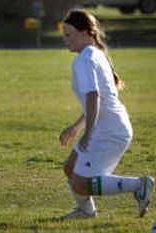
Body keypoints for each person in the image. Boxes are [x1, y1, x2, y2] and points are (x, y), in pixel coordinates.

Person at [60, 9, 154, 219]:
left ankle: (140, 185)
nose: (65, 40)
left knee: (81, 183)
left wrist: (88, 132)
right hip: (110, 126)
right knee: (70, 167)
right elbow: (95, 100)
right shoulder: (95, 53)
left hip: (108, 131)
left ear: (84, 32)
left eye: (68, 35)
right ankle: (86, 211)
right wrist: (78, 126)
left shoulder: (84, 59)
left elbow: (94, 97)